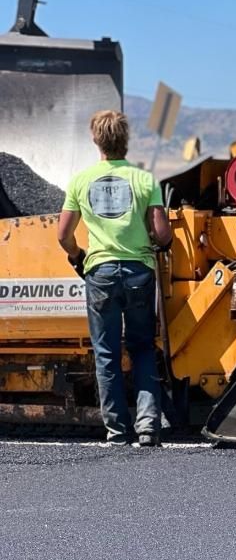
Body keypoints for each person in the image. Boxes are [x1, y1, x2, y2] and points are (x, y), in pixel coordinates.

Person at [57, 110, 172, 446]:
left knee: (106, 352)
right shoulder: (145, 179)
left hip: (100, 273)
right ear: (126, 139)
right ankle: (148, 426)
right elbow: (162, 233)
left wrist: (78, 256)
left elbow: (63, 234)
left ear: (96, 141)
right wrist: (159, 240)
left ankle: (117, 431)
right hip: (139, 272)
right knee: (142, 348)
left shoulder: (80, 180)